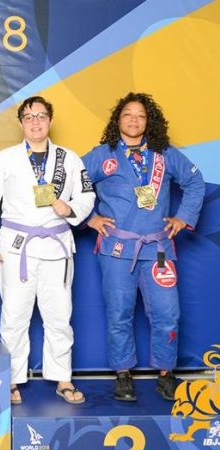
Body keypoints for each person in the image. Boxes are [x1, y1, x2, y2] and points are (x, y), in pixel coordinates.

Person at [82, 92, 204, 401]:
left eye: (140, 115)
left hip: (158, 248)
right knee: (119, 313)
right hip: (117, 248)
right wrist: (90, 218)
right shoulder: (101, 155)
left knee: (168, 312)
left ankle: (166, 373)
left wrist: (183, 217)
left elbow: (194, 182)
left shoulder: (164, 154)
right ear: (118, 119)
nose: (134, 120)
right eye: (127, 114)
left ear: (149, 121)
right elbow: (72, 185)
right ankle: (123, 374)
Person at [0, 96, 95, 405]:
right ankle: (12, 379)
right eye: (28, 117)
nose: (35, 122)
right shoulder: (4, 159)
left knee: (59, 316)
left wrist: (71, 208)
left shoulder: (69, 159)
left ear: (50, 120)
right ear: (21, 123)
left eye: (41, 116)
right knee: (14, 316)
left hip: (57, 245)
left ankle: (63, 378)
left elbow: (87, 195)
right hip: (17, 246)